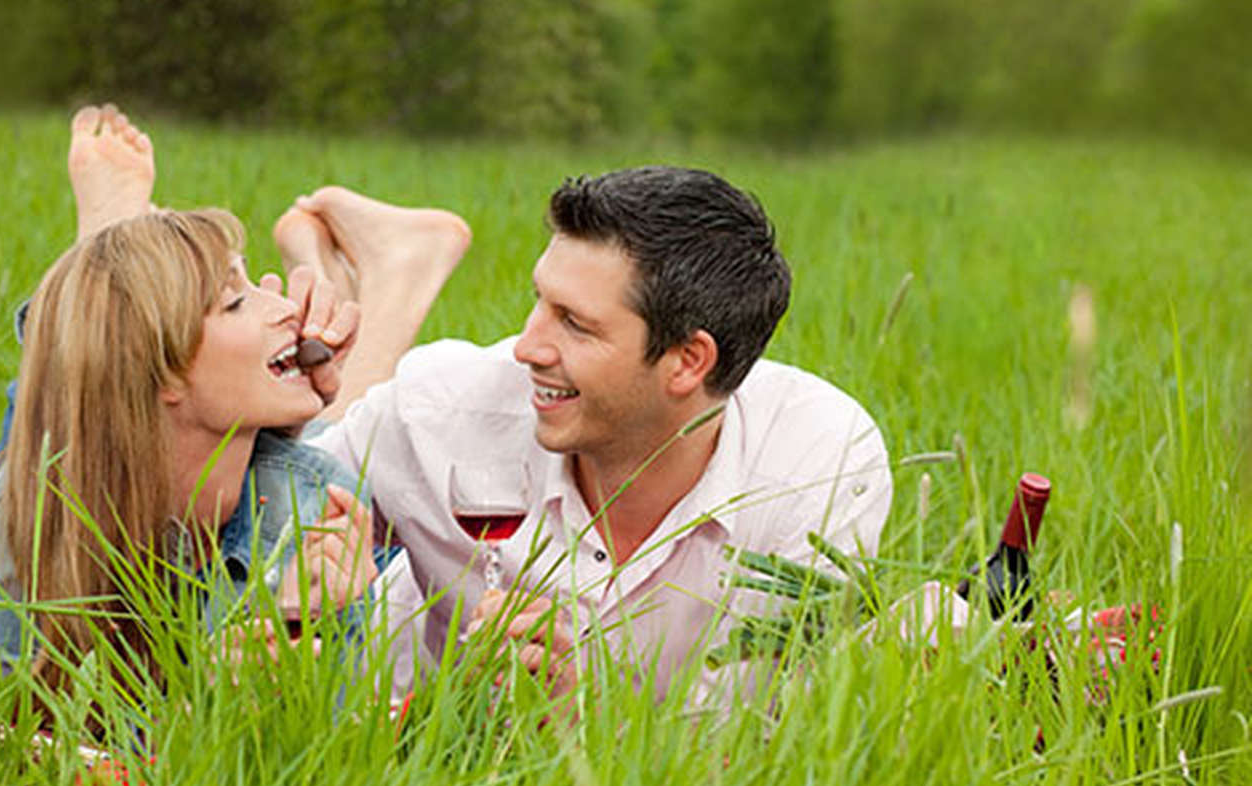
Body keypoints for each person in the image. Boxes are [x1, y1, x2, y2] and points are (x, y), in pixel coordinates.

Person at [296, 167, 893, 709]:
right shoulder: (444, 406)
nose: (527, 346)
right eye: (540, 302)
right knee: (323, 432)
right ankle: (397, 272)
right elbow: (265, 518)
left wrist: (577, 710)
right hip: (400, 721)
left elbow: (753, 742)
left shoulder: (821, 467)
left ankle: (396, 273)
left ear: (688, 361)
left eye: (576, 324)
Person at [0, 108, 385, 707]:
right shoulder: (29, 529)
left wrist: (314, 617)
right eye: (235, 304)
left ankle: (108, 256)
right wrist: (200, 688)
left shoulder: (317, 503)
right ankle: (104, 256)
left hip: (143, 430)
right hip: (43, 498)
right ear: (162, 369)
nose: (284, 305)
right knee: (42, 437)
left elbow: (332, 741)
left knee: (61, 410)